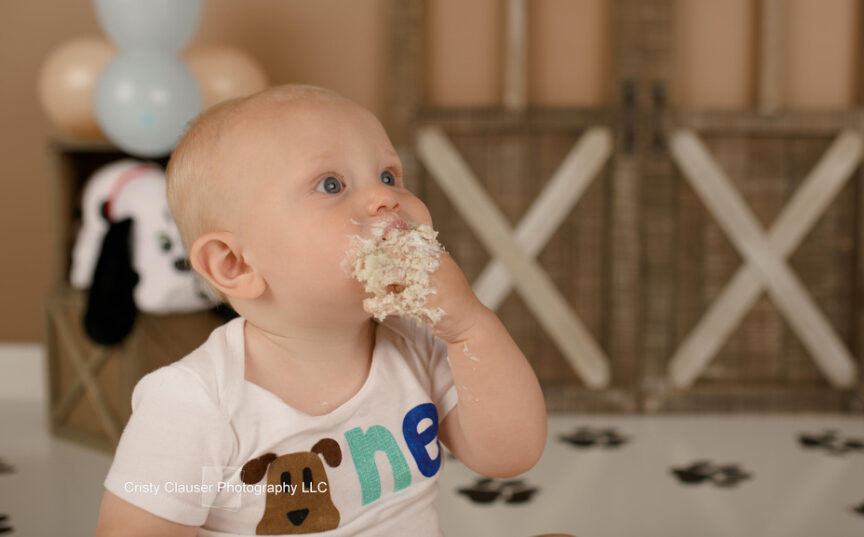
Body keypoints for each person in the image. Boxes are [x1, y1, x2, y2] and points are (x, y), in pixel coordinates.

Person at [94, 85, 548, 536]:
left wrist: (470, 327)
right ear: (236, 264)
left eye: (389, 175)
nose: (385, 198)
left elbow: (509, 456)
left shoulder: (418, 346)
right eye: (331, 184)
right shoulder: (192, 403)